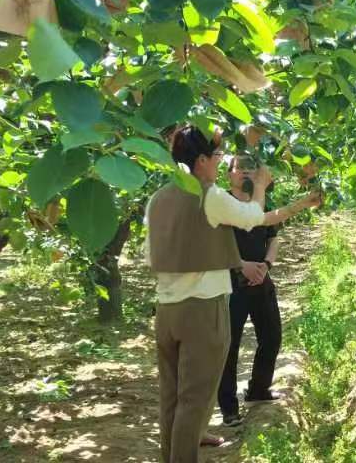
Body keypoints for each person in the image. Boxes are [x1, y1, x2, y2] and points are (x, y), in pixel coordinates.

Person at [146, 125, 321, 463]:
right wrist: (258, 187)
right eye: (216, 157)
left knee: (171, 396)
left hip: (166, 309)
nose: (219, 162)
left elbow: (151, 251)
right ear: (200, 160)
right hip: (201, 309)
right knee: (193, 401)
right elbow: (253, 216)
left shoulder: (159, 198)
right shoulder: (208, 195)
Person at [217, 156, 285, 426]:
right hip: (230, 283)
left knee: (272, 336)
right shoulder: (219, 204)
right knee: (229, 345)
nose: (245, 173)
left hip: (261, 279)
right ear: (229, 174)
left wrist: (265, 265)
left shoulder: (261, 203)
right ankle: (228, 407)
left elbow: (273, 238)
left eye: (251, 169)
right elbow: (213, 244)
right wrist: (242, 265)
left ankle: (258, 389)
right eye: (240, 169)